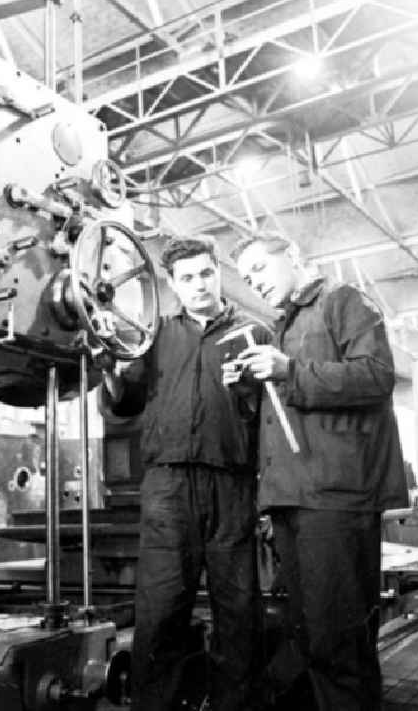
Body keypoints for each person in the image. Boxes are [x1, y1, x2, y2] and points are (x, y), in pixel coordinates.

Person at [230, 233, 409, 710]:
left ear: (292, 257)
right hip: (293, 498)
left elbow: (376, 374)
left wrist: (290, 369)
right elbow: (286, 412)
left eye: (260, 269)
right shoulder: (283, 326)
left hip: (335, 495)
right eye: (247, 279)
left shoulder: (342, 302)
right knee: (309, 632)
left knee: (338, 635)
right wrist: (252, 386)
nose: (254, 283)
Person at [100, 235, 270, 711]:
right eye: (187, 277)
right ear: (173, 285)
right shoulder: (155, 336)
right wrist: (111, 370)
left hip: (231, 482)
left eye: (206, 273)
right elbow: (126, 401)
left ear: (219, 273)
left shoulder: (255, 334)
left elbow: (272, 415)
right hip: (168, 485)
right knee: (161, 608)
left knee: (238, 609)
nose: (199, 284)